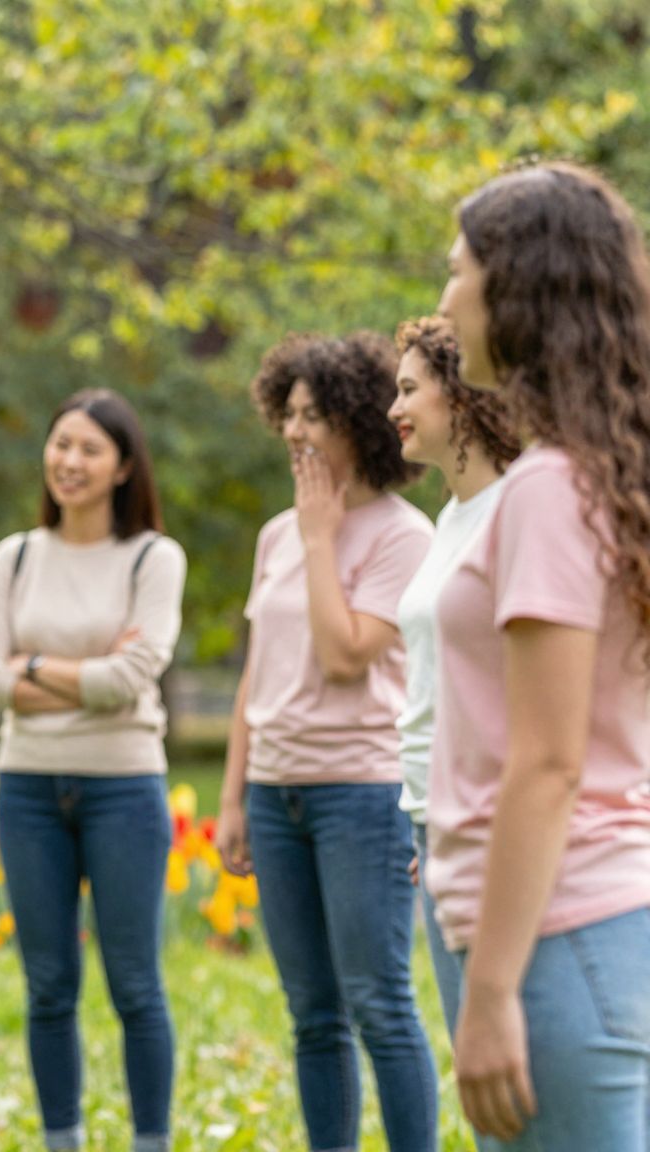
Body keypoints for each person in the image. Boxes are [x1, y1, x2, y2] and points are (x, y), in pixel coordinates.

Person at [430, 161, 650, 1149]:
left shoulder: (547, 490)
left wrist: (486, 996)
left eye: (454, 272)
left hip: (557, 940)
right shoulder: (606, 477)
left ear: (511, 288)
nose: (442, 301)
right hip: (593, 927)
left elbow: (548, 762)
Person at [214, 332, 438, 1152]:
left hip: (362, 795)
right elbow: (255, 675)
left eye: (319, 415)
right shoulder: (276, 535)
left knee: (380, 1005)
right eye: (291, 414)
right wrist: (234, 797)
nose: (298, 432)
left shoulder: (401, 536)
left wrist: (320, 539)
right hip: (277, 795)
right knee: (313, 1016)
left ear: (363, 423)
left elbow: (345, 655)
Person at [0, 388, 185, 1152]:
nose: (71, 461)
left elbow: (134, 678)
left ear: (124, 466)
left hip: (125, 786)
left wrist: (30, 666)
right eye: (62, 444)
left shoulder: (154, 557)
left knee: (135, 984)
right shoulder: (16, 556)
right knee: (49, 987)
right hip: (26, 785)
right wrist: (84, 670)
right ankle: (64, 1141)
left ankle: (150, 1140)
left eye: (91, 449)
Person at [384, 316, 519, 1030]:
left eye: (409, 390)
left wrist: (472, 820)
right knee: (478, 1065)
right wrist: (433, 818)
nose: (393, 410)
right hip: (438, 824)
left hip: (497, 829)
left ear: (462, 398)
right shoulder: (452, 518)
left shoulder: (516, 511)